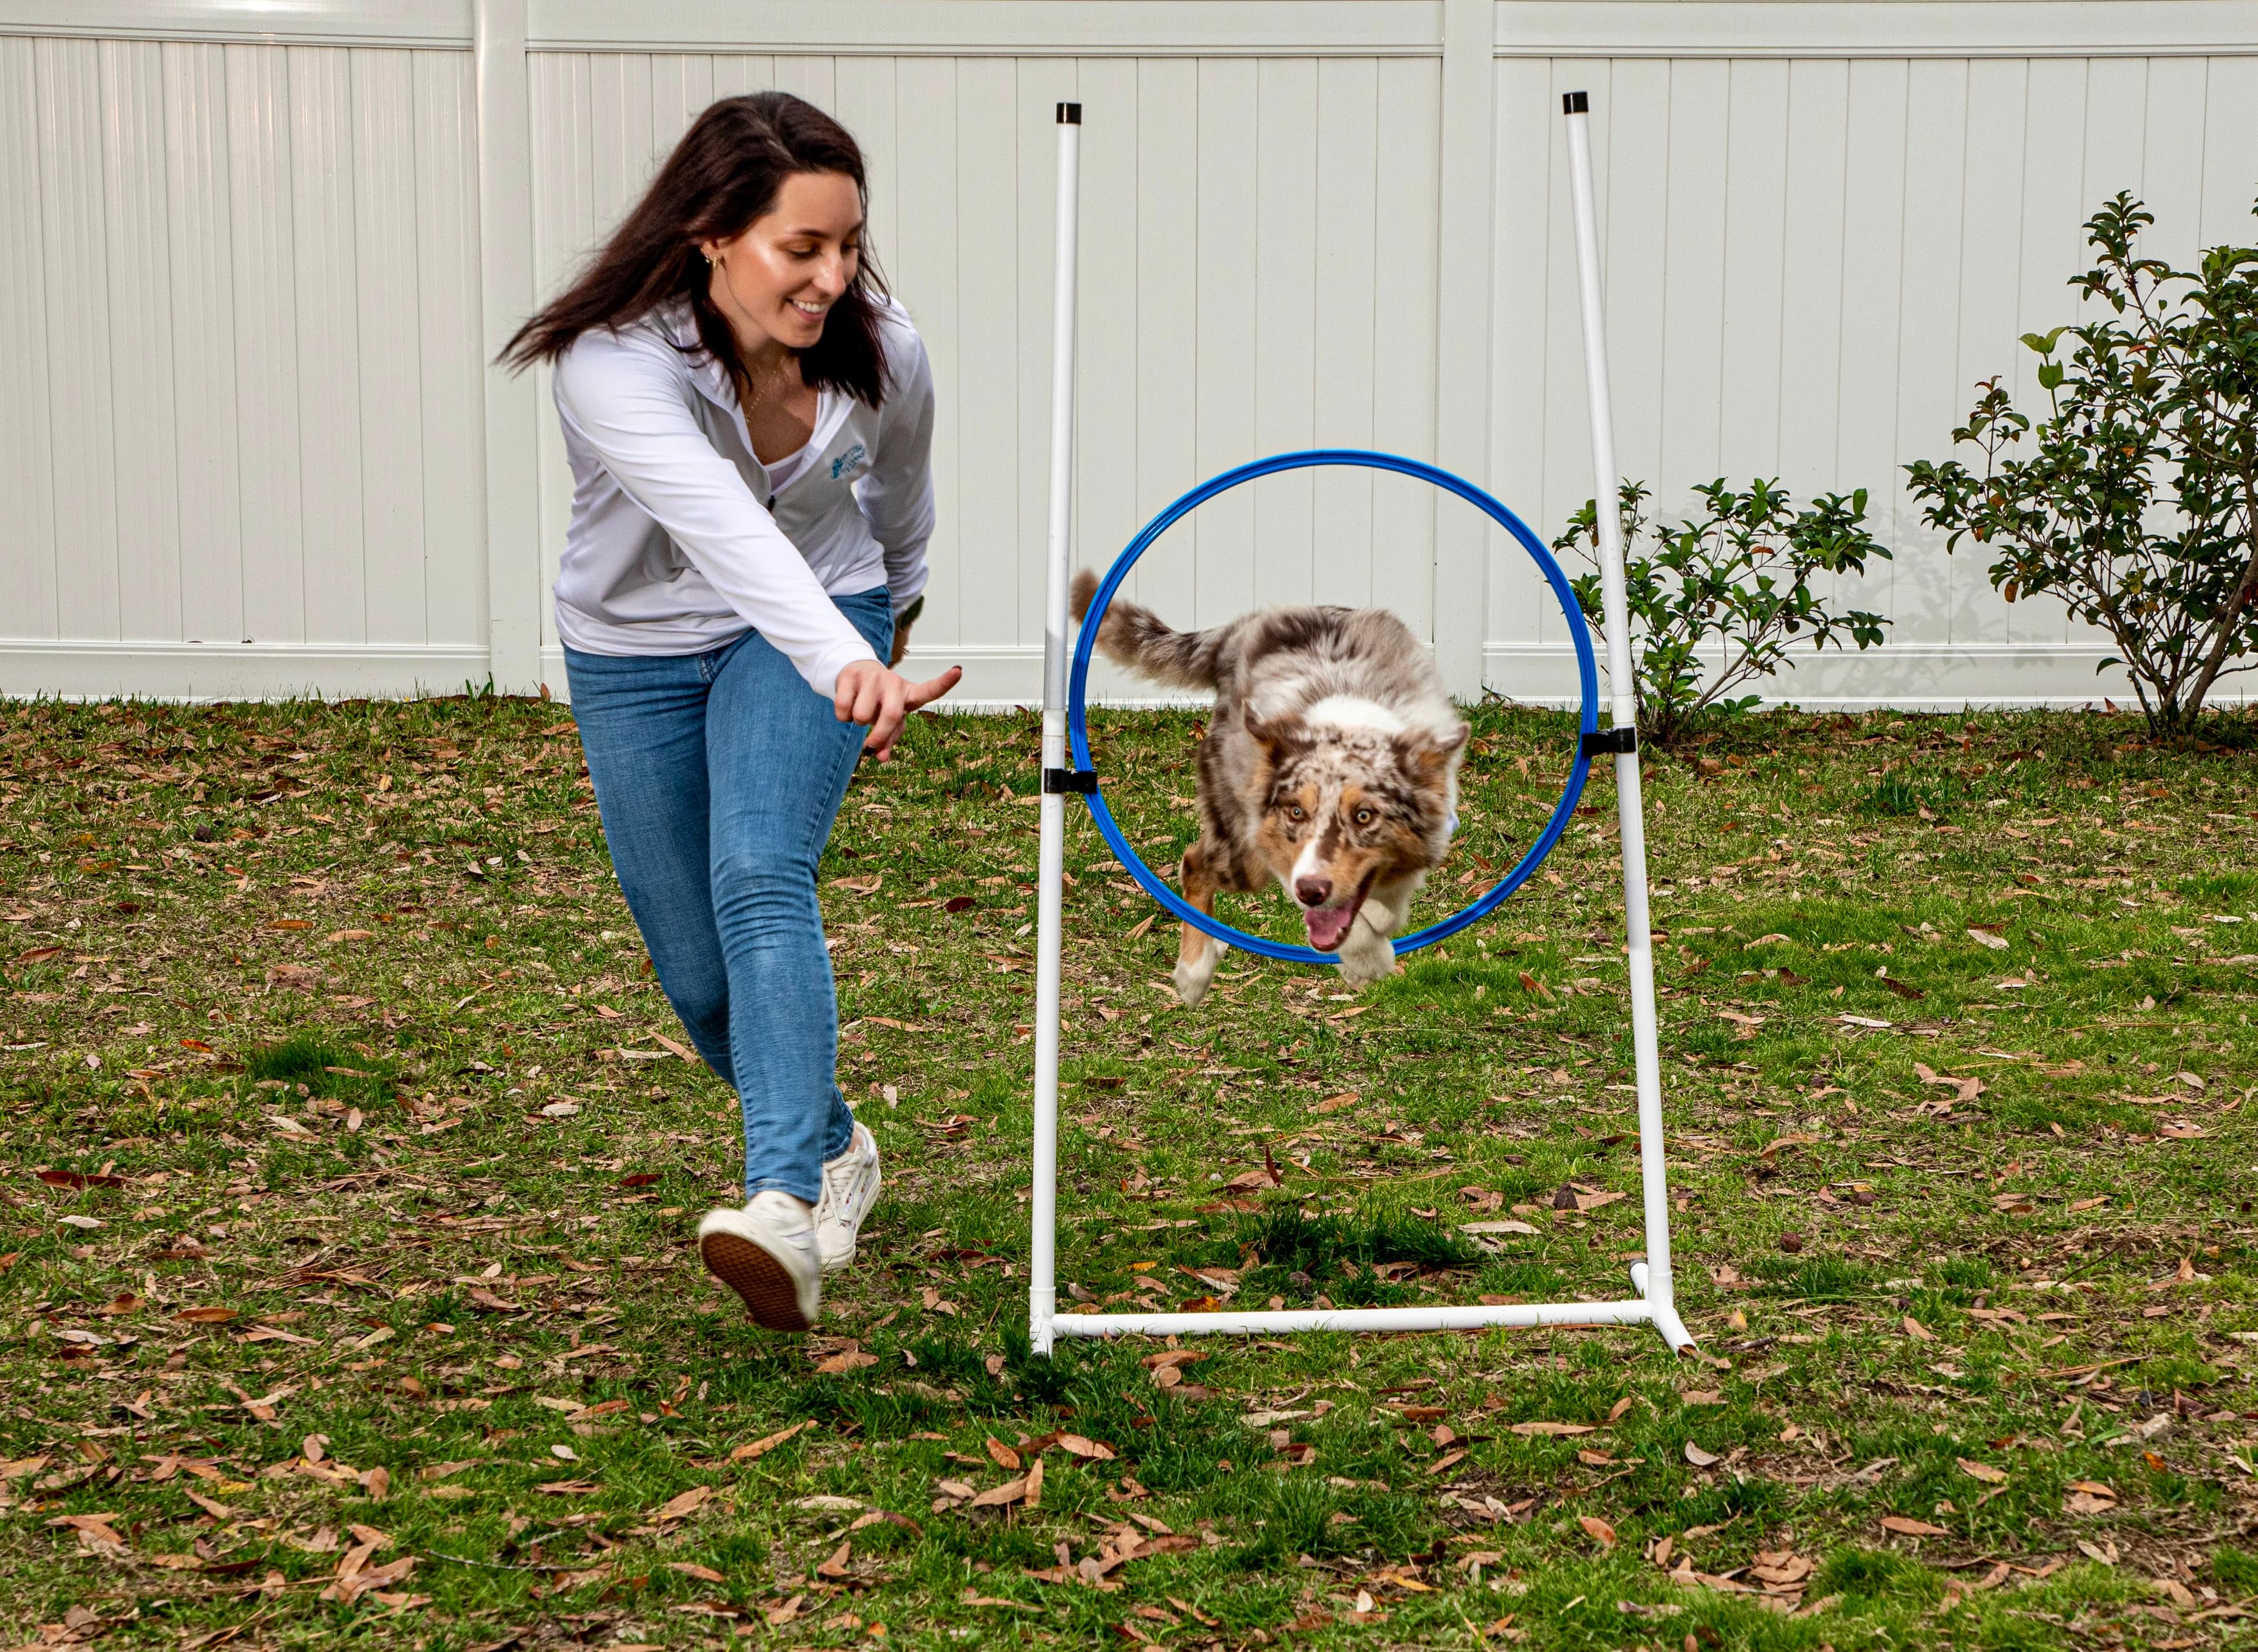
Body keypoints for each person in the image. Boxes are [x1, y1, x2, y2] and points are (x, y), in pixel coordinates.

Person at [501, 92, 961, 1331]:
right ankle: (830, 1140)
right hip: (636, 648)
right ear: (712, 232)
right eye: (798, 249)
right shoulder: (615, 361)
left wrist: (886, 631)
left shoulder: (883, 344)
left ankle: (783, 1209)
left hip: (820, 617)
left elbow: (901, 497)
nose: (832, 277)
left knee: (761, 872)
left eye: (849, 243)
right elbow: (716, 522)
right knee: (697, 975)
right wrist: (844, 660)